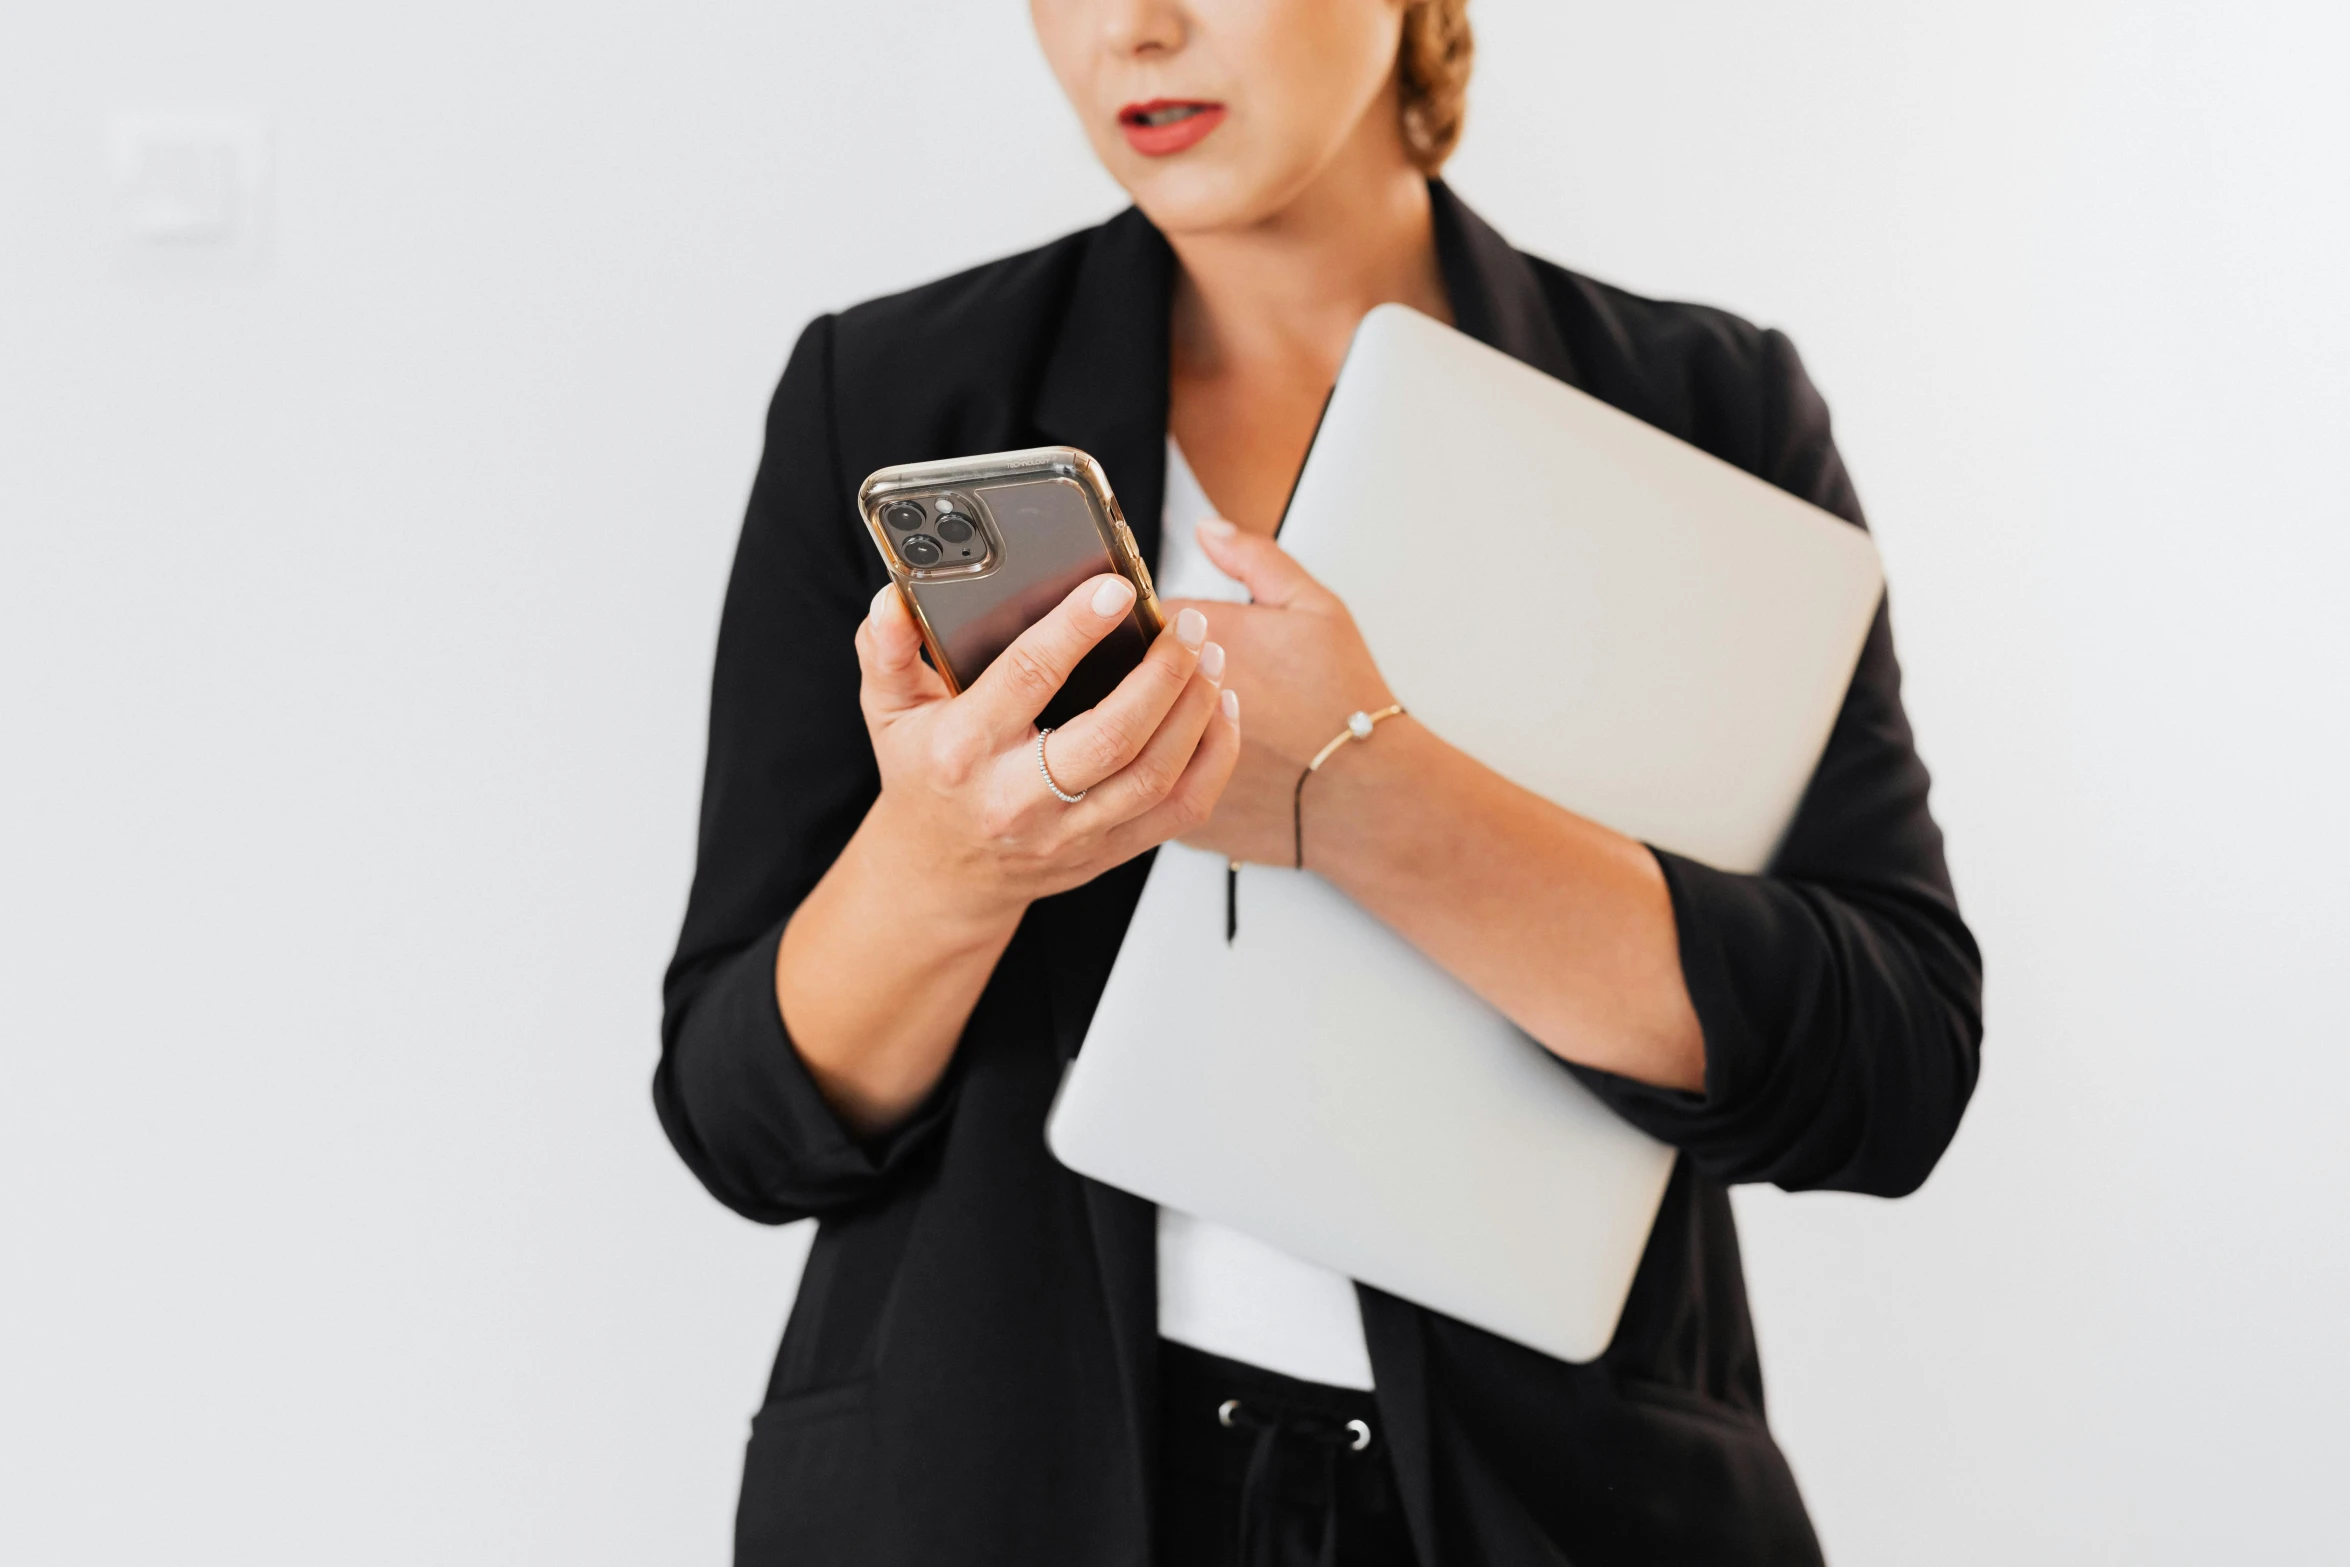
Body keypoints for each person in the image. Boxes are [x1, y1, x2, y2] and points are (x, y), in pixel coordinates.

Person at [655, 1, 1982, 1562]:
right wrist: (950, 865)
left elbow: (1891, 1063)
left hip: (1557, 1509)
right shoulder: (885, 399)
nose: (1133, 30)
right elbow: (738, 1115)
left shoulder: (1701, 410)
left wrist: (1364, 796)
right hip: (991, 1491)